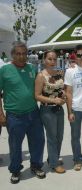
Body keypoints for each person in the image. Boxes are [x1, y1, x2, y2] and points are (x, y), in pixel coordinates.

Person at [0, 41, 45, 184]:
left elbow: (43, 84)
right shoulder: (4, 70)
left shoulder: (32, 68)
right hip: (14, 116)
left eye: (24, 53)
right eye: (18, 54)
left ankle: (36, 165)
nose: (21, 56)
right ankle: (15, 170)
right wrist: (1, 114)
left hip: (33, 113)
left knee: (38, 141)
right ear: (12, 55)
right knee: (15, 145)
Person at [34, 50, 66, 174]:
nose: (52, 62)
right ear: (44, 60)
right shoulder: (41, 76)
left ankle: (53, 157)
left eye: (54, 59)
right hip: (47, 110)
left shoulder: (59, 73)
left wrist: (62, 97)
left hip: (59, 109)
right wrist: (54, 100)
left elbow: (60, 89)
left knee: (60, 136)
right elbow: (37, 96)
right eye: (49, 59)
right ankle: (54, 164)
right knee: (52, 137)